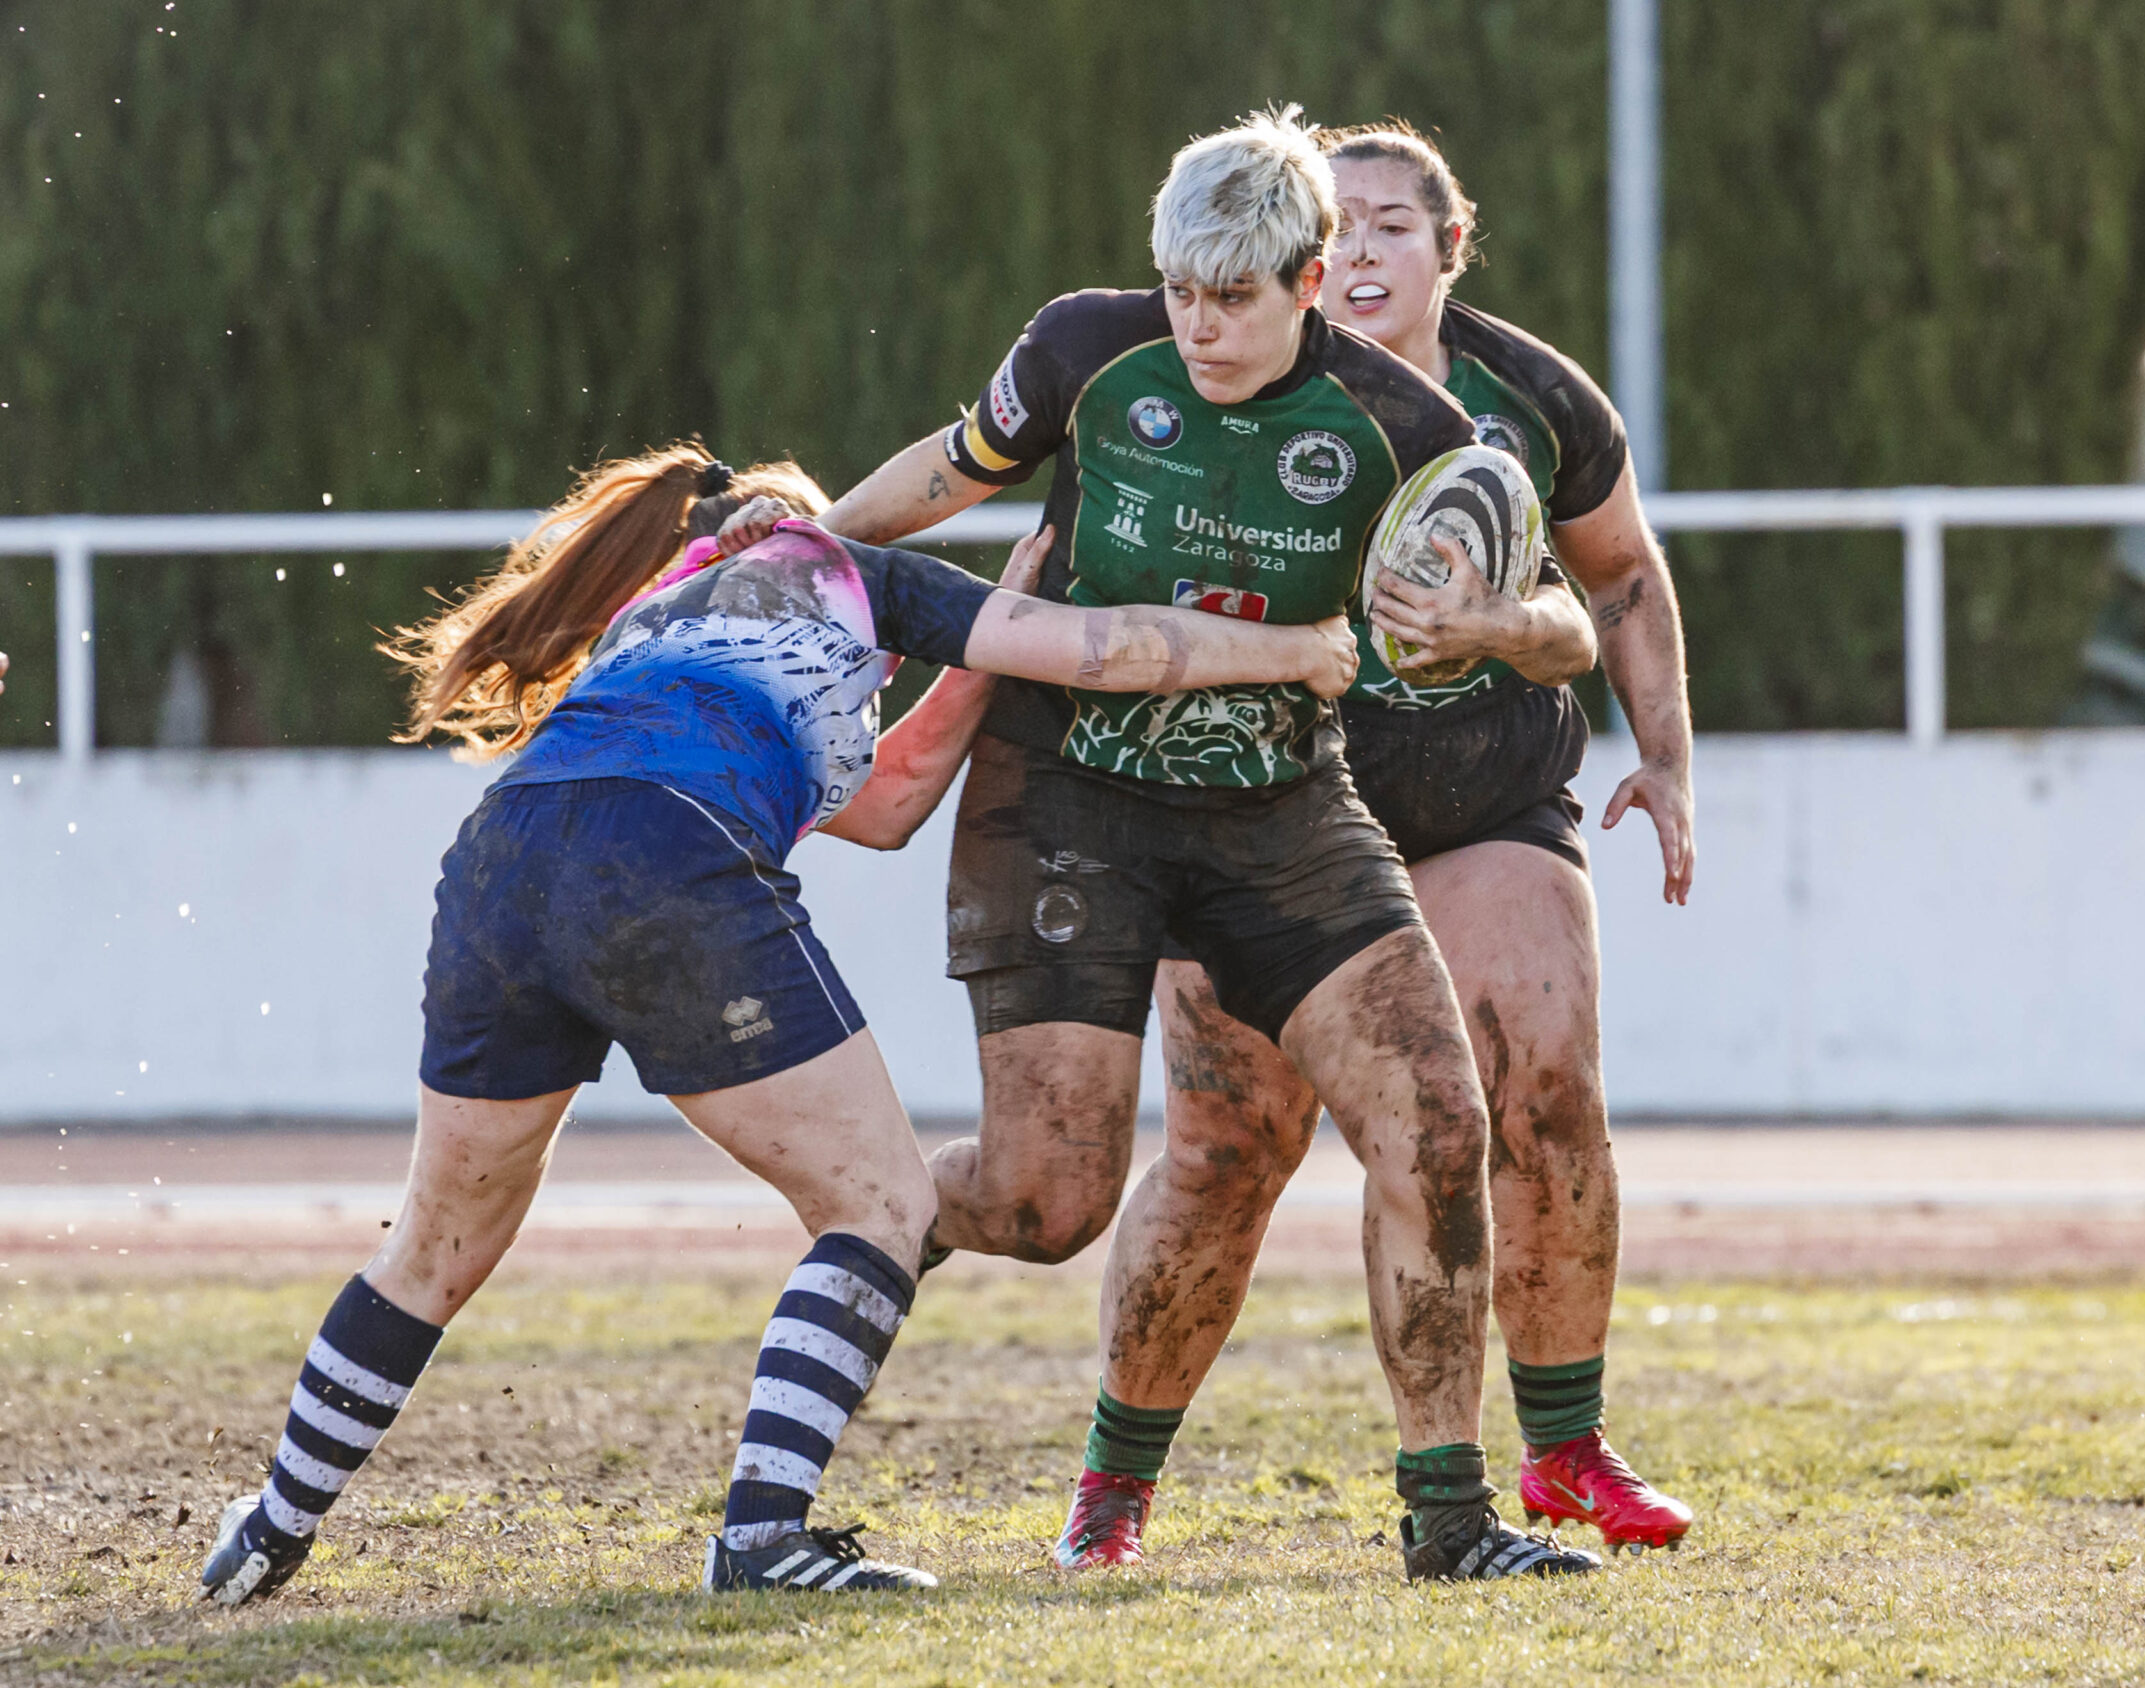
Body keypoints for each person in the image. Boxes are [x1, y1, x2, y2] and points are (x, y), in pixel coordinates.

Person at [193, 442, 1358, 1606]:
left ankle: (271, 1531)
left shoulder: (652, 614)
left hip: (503, 858)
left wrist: (971, 669)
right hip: (664, 856)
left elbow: (888, 801)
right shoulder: (861, 574)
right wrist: (1296, 648)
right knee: (883, 1204)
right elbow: (1112, 652)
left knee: (435, 1245)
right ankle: (760, 1540)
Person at [720, 108, 1599, 1581]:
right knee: (1047, 1201)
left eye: (1235, 297)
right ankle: (883, 1210)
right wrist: (789, 557)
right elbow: (949, 472)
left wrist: (1496, 622)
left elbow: (1569, 620)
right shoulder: (1085, 348)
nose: (1198, 324)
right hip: (1067, 800)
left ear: (1310, 281)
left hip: (1285, 810)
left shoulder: (1403, 424)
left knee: (1441, 1129)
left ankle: (1450, 1520)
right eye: (1181, 289)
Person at [1075, 122, 1699, 1565]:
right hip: (1262, 806)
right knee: (1232, 1147)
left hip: (1485, 800)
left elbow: (1616, 578)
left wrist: (1664, 756)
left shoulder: (1531, 398)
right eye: (1335, 229)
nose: (1358, 253)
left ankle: (1563, 1448)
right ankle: (1115, 1481)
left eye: (1391, 227)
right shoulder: (1203, 379)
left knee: (1545, 1093)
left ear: (1449, 247)